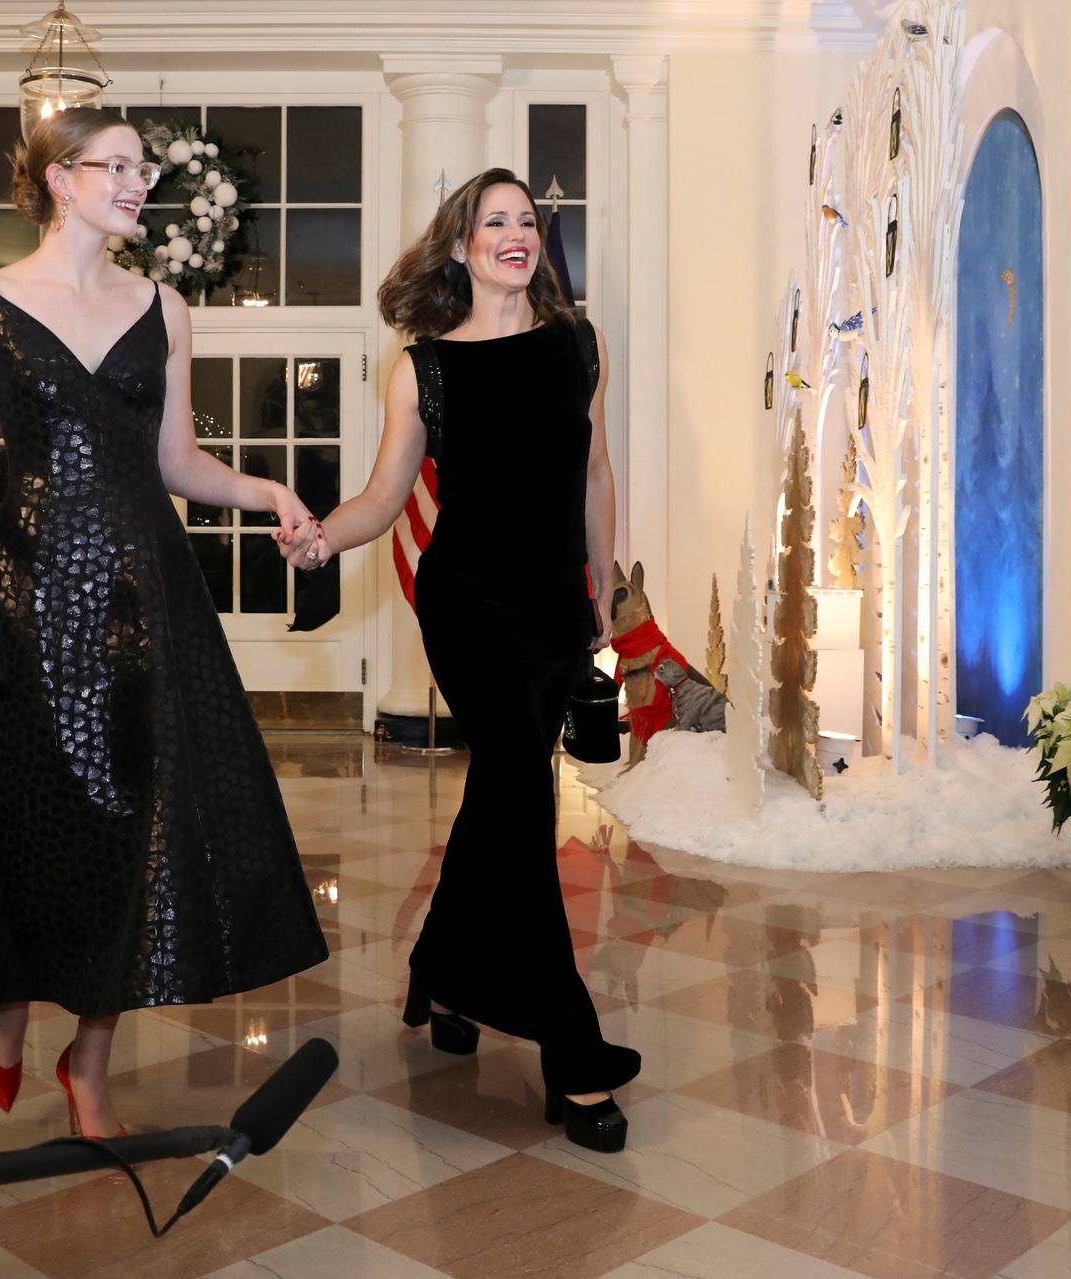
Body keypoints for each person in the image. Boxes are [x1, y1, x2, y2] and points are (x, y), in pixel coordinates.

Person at [0, 108, 329, 1140]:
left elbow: (177, 463)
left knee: (131, 827)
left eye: (144, 168)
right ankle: (10, 1003)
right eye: (116, 166)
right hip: (25, 597)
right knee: (20, 815)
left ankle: (93, 1061)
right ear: (57, 177)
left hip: (141, 599)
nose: (137, 183)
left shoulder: (163, 305)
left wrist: (267, 489)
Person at [291, 169, 641, 1152]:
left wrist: (602, 581)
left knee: (500, 795)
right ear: (461, 246)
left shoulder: (579, 344)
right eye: (495, 222)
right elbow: (383, 495)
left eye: (527, 221)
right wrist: (323, 537)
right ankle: (572, 1054)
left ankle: (440, 967)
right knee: (521, 801)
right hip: (468, 608)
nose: (515, 235)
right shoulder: (424, 369)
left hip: (552, 604)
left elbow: (595, 469)